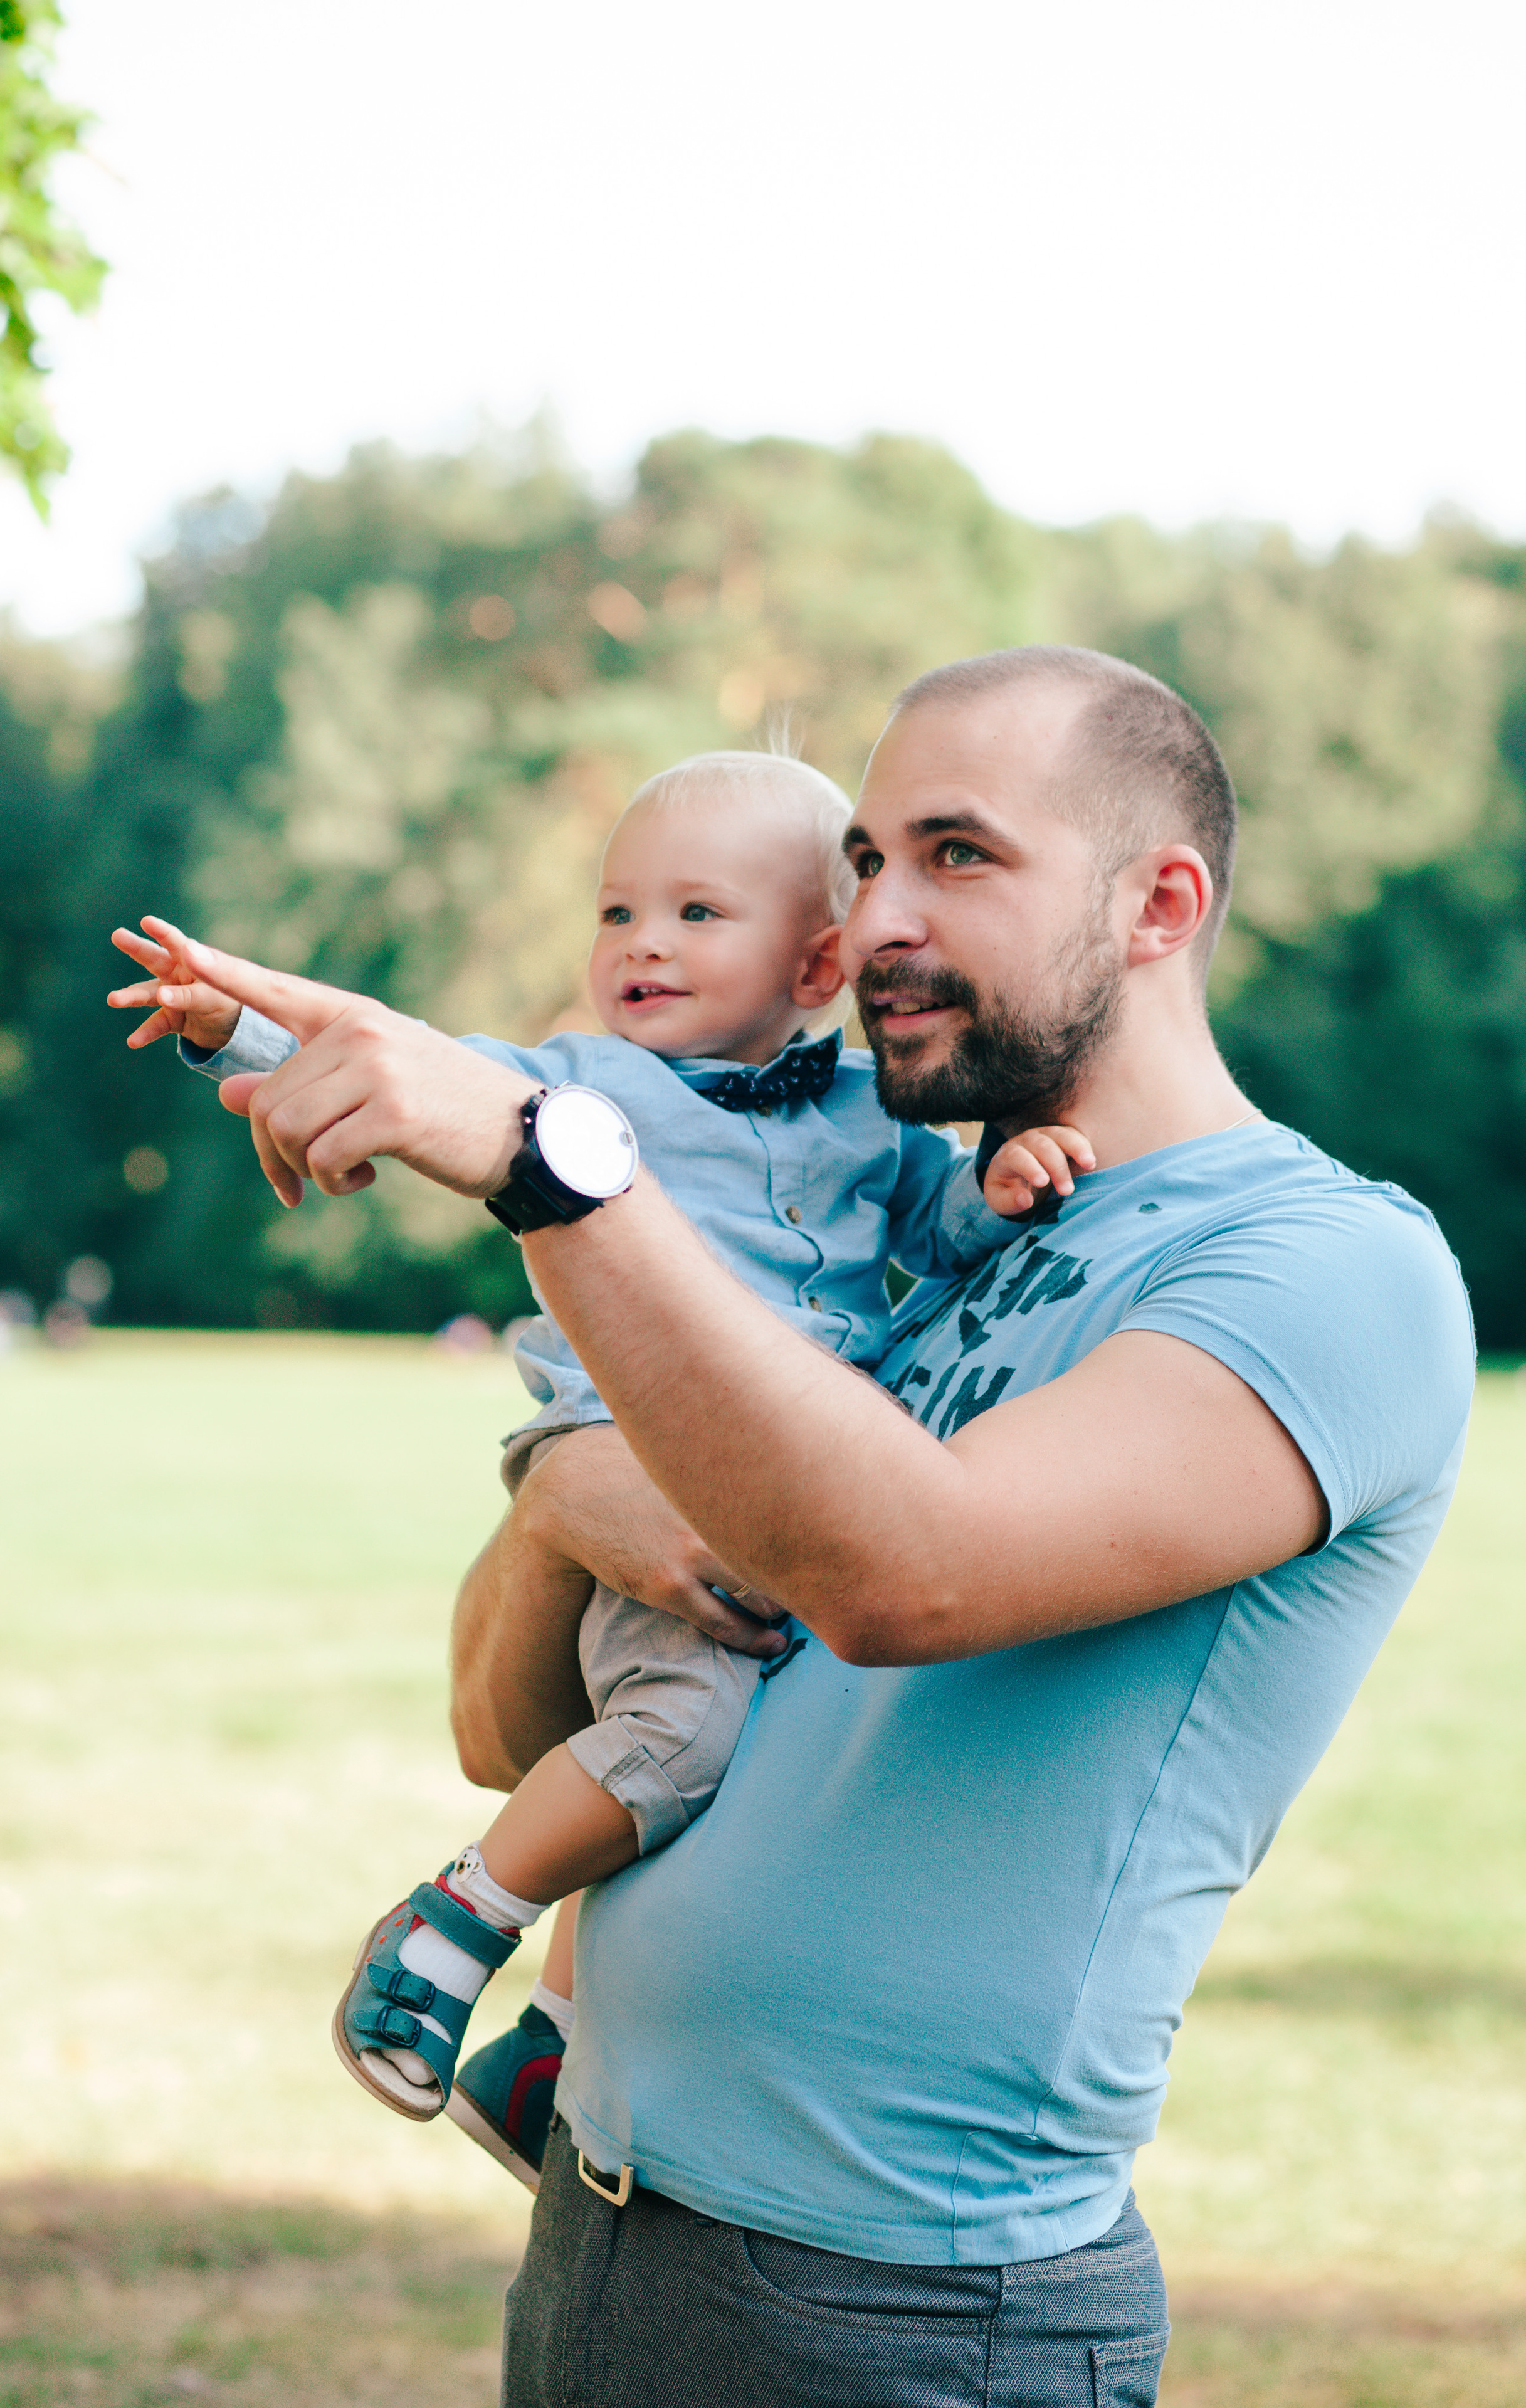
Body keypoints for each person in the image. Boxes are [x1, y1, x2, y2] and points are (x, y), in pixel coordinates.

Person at [118, 647, 1474, 2408]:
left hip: (898, 2304)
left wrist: (545, 1155)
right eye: (864, 861)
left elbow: (910, 1574)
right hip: (603, 2208)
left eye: (955, 856)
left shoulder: (1322, 1269)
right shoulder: (900, 1247)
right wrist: (563, 1504)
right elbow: (502, 1732)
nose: (878, 917)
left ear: (1158, 906)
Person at [108, 747, 1087, 2189]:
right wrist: (230, 1029)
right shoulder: (577, 1084)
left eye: (695, 913)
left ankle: (547, 2054)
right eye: (618, 911)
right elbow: (402, 1062)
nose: (641, 944)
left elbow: (935, 1240)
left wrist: (1000, 1191)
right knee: (681, 1735)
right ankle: (451, 1929)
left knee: (750, 1757)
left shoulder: (873, 1117)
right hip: (634, 1455)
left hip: (792, 1478)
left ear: (816, 964)